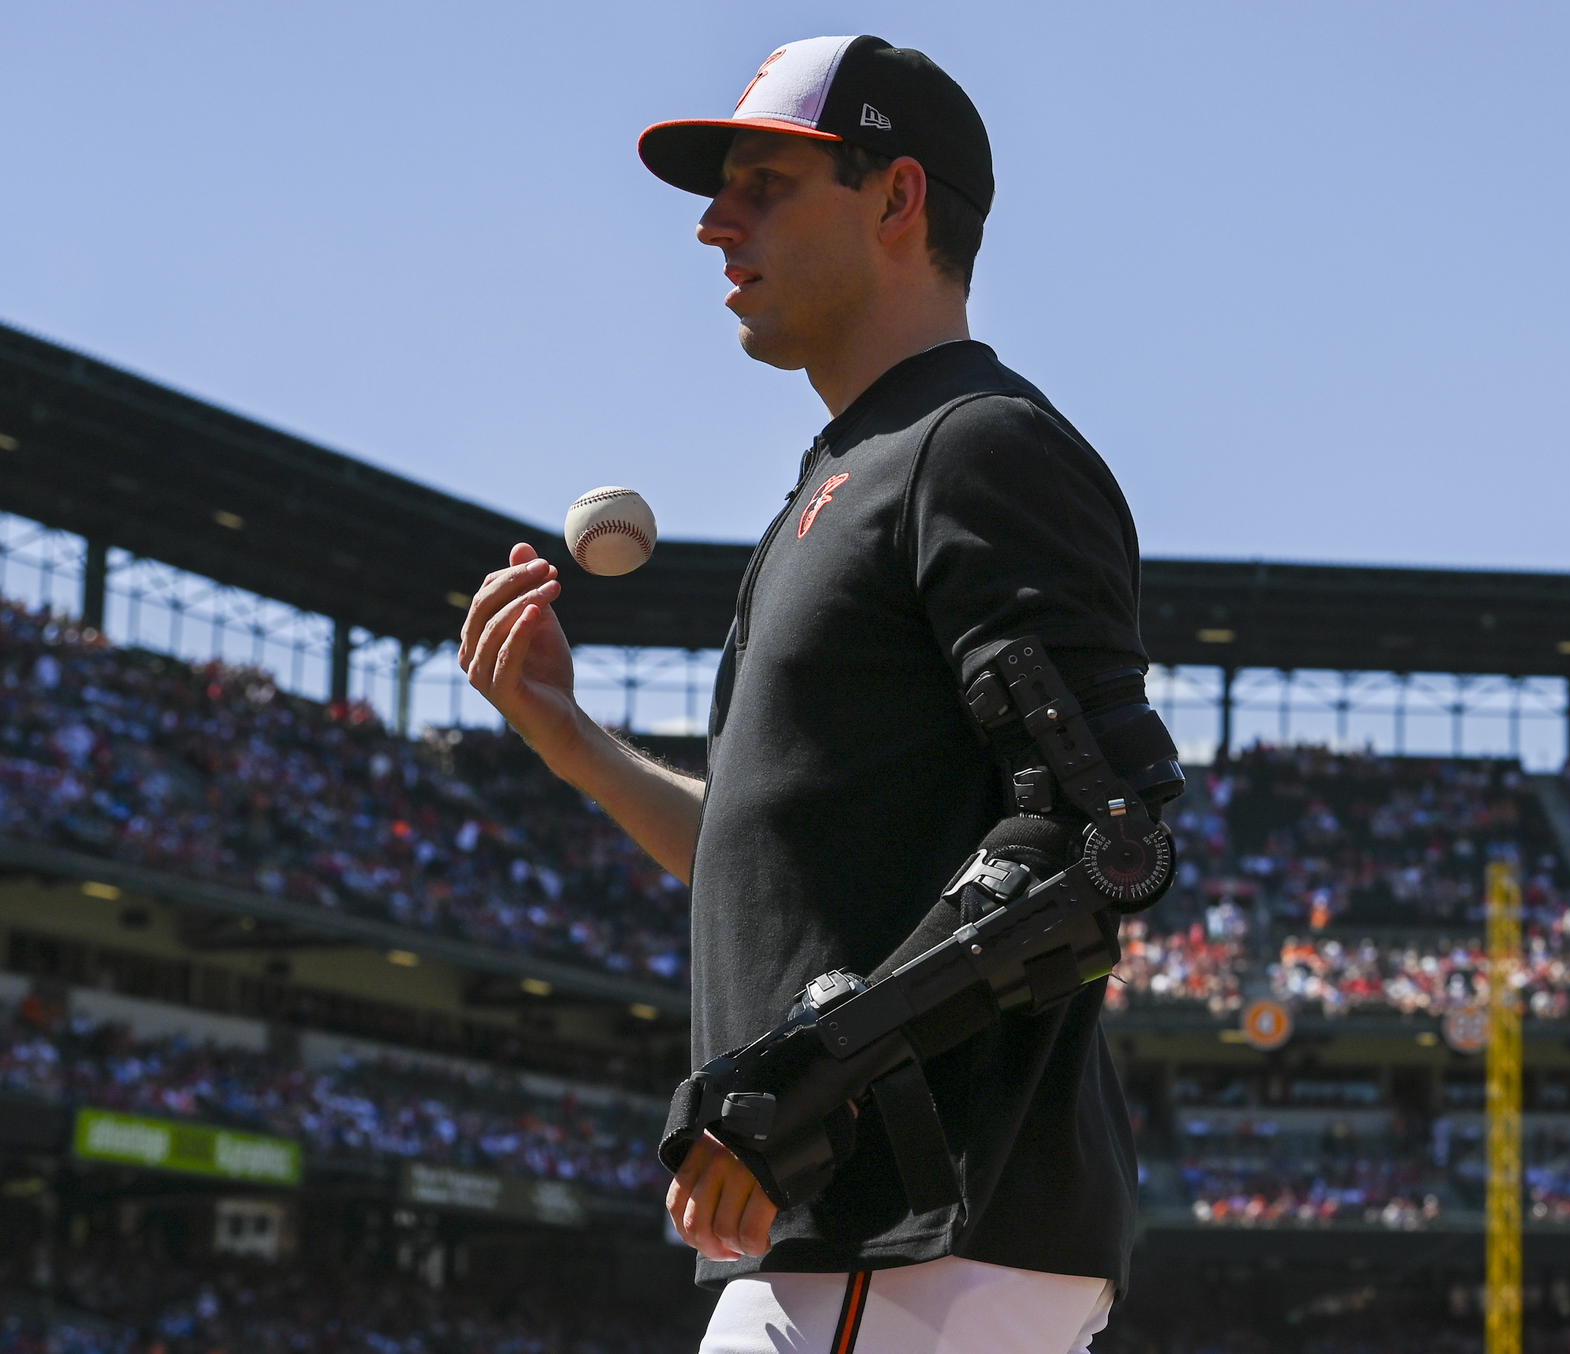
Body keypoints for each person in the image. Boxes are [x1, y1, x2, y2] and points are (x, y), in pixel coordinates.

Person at [460, 34, 1167, 1354]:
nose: (716, 225)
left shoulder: (976, 447)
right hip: (860, 1238)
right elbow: (775, 860)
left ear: (898, 199)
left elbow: (1099, 841)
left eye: (763, 186)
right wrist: (575, 744)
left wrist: (798, 1090)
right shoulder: (840, 479)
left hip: (918, 1235)